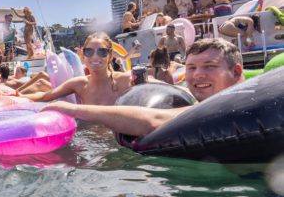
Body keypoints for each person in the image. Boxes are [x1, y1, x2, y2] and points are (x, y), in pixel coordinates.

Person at [44, 38, 244, 138]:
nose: (198, 74)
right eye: (191, 67)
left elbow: (153, 120)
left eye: (210, 66)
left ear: (236, 72)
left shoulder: (237, 105)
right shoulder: (79, 84)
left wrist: (74, 110)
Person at [22, 32, 133, 105]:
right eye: (89, 51)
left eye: (102, 52)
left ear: (110, 56)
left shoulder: (125, 80)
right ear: (83, 56)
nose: (95, 56)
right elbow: (45, 96)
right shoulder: (79, 84)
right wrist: (17, 96)